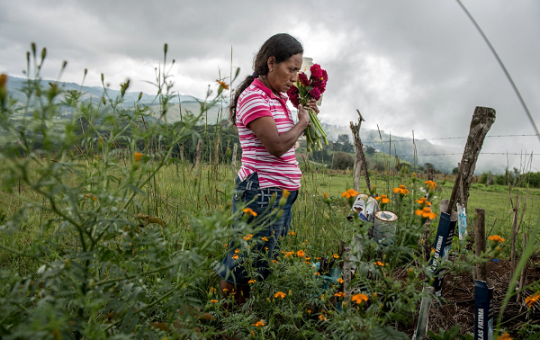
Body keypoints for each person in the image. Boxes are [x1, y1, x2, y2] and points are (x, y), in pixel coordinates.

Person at [216, 33, 319, 305]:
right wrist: (302, 124)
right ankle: (224, 320)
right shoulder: (253, 97)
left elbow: (288, 137)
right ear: (271, 62)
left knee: (258, 260)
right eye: (291, 69)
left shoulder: (280, 98)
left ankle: (242, 317)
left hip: (279, 194)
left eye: (298, 70)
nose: (295, 77)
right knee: (242, 259)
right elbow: (276, 146)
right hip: (261, 192)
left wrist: (304, 113)